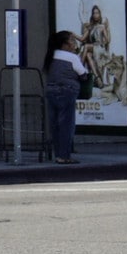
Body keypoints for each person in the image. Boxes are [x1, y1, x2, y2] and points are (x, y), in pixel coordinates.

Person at [43, 29, 88, 164]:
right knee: (66, 125)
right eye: (72, 41)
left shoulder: (51, 56)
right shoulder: (72, 57)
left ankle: (58, 154)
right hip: (67, 91)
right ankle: (65, 156)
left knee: (55, 124)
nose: (74, 44)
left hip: (51, 91)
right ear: (65, 44)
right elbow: (83, 75)